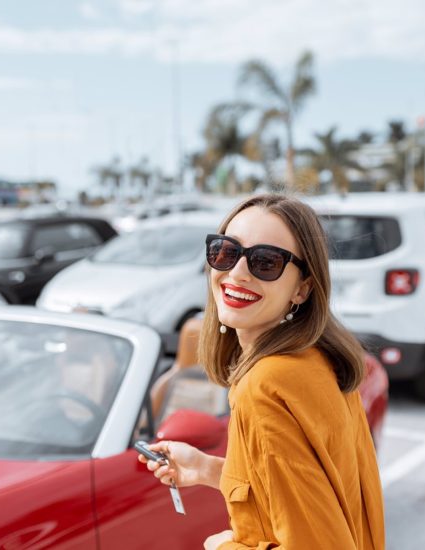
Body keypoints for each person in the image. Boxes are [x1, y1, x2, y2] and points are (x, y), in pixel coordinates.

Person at [139, 194, 385, 549]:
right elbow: (311, 498)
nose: (237, 272)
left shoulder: (266, 387)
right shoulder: (316, 361)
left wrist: (222, 547)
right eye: (225, 251)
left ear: (302, 288)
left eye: (265, 262)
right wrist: (207, 469)